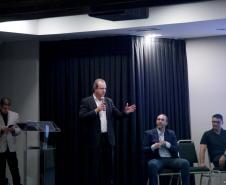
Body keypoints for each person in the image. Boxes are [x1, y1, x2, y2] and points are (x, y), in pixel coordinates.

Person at [79, 78, 136, 185]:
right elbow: (82, 117)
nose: (104, 91)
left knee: (109, 168)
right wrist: (96, 110)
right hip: (94, 140)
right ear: (95, 89)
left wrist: (125, 112)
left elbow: (117, 115)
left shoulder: (109, 101)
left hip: (108, 139)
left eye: (105, 88)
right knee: (94, 167)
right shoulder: (86, 101)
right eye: (102, 88)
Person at [144, 114, 190, 185]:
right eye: (158, 119)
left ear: (166, 123)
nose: (160, 121)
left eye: (162, 120)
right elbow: (144, 149)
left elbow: (176, 149)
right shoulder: (149, 133)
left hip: (171, 159)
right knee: (152, 164)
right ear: (156, 121)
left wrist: (167, 144)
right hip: (157, 159)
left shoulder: (171, 133)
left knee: (185, 163)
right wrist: (154, 146)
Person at [0, 97, 22, 185]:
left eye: (8, 108)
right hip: (0, 148)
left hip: (11, 148)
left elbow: (19, 130)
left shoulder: (15, 115)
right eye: (5, 108)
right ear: (1, 106)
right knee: (1, 172)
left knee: (15, 171)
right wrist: (2, 130)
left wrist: (13, 130)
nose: (7, 110)